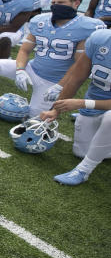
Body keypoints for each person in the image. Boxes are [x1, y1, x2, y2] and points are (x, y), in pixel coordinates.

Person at [0, 0, 101, 118]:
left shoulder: (85, 27)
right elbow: (24, 50)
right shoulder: (41, 21)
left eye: (61, 3)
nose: (56, 6)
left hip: (53, 80)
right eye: (54, 2)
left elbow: (78, 64)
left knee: (35, 117)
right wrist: (20, 69)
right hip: (32, 68)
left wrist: (60, 86)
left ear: (76, 3)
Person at [40, 28, 111, 185]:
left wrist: (81, 103)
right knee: (81, 151)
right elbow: (77, 77)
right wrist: (55, 110)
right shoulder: (100, 38)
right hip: (95, 104)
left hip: (98, 107)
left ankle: (83, 170)